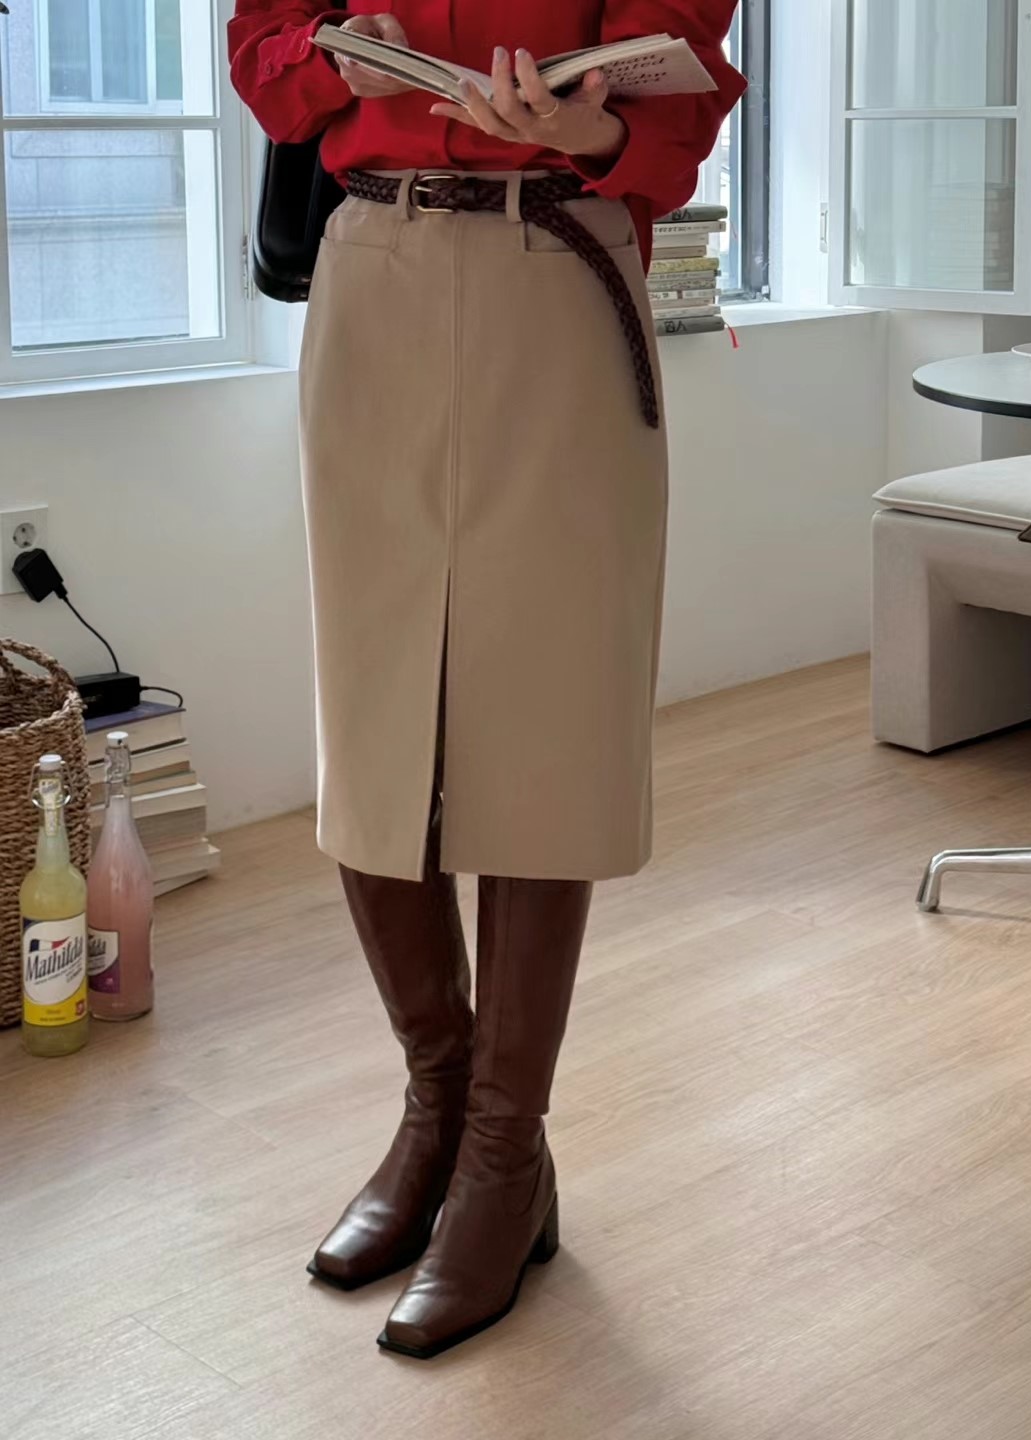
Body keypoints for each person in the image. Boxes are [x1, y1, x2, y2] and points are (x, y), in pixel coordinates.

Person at [229, 0, 745, 1360]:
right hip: (372, 263)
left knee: (545, 717)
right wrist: (329, 58)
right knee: (375, 706)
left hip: (559, 263)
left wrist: (594, 130)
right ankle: (439, 1112)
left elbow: (684, 78)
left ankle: (506, 1157)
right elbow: (263, 55)